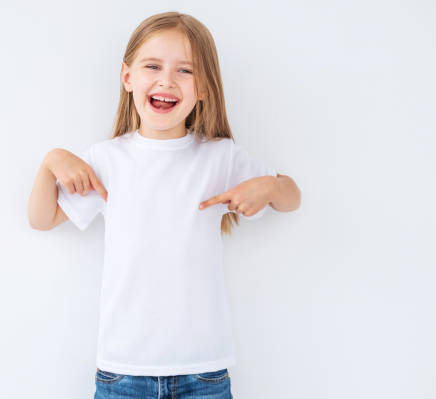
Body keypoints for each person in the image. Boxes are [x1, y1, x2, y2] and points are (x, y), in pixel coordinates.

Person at [28, 11, 301, 399]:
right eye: (152, 66)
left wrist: (271, 187)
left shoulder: (220, 157)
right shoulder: (107, 160)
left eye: (185, 71)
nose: (166, 80)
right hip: (122, 373)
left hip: (203, 374)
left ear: (204, 87)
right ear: (127, 77)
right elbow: (41, 219)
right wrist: (52, 159)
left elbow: (292, 198)